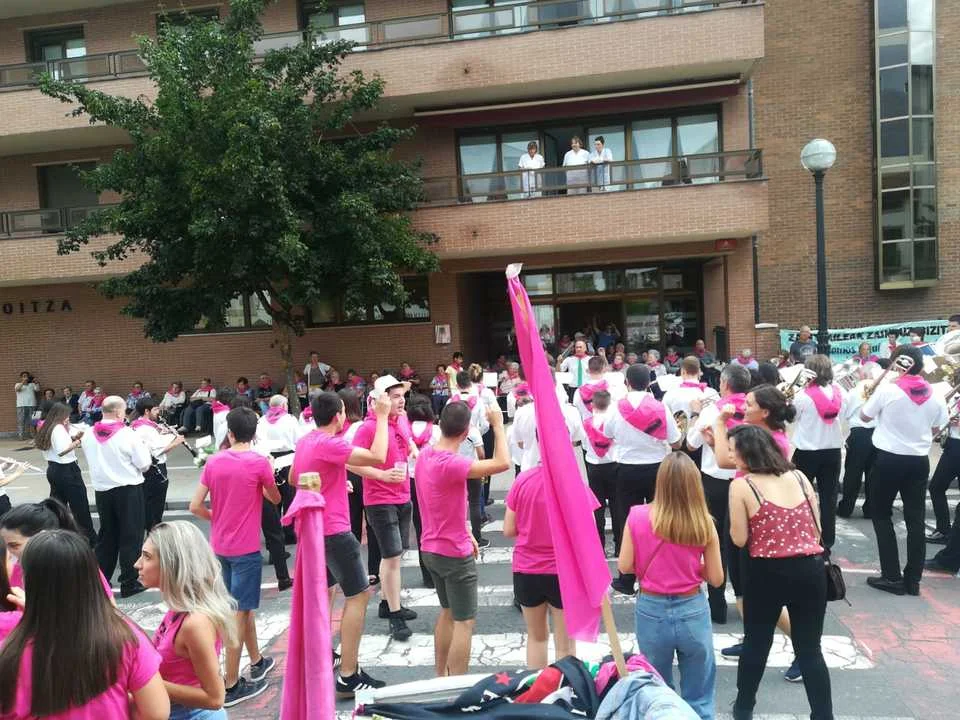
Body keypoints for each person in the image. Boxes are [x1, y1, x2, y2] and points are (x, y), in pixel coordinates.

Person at [0, 530, 169, 720]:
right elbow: (156, 713)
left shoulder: (10, 650)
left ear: (28, 581)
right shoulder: (126, 638)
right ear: (93, 576)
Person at [726, 425, 833, 720]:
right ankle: (823, 715)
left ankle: (744, 708)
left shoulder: (743, 486)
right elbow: (818, 529)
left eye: (733, 451)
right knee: (810, 650)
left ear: (748, 453)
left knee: (757, 644)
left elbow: (739, 539)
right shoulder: (799, 477)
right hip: (810, 570)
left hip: (765, 572)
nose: (731, 457)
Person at [291, 389, 391, 696]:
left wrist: (332, 480)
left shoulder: (306, 441)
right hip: (334, 530)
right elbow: (378, 456)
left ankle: (325, 657)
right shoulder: (330, 443)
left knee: (326, 591)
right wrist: (382, 416)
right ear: (339, 416)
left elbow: (295, 477)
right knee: (358, 596)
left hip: (314, 529)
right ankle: (348, 675)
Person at [618, 452, 723, 720]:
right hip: (692, 607)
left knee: (657, 690)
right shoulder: (703, 521)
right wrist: (691, 567)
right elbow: (716, 578)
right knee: (699, 694)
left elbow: (625, 565)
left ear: (660, 481)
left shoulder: (637, 516)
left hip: (651, 608)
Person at [189, 407, 282, 706]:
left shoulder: (214, 461)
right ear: (254, 435)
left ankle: (256, 660)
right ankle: (230, 683)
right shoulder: (259, 463)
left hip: (220, 547)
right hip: (245, 549)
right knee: (238, 614)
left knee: (242, 608)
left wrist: (216, 517)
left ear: (229, 433)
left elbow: (194, 506)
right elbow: (275, 497)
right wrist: (266, 477)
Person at [711, 383, 801, 679]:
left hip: (755, 520)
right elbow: (732, 459)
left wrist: (720, 424)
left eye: (749, 404)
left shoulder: (770, 441)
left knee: (761, 593)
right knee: (742, 586)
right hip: (746, 512)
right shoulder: (762, 436)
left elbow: (725, 460)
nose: (743, 407)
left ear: (764, 412)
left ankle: (803, 648)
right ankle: (752, 639)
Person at [418, 401, 508, 676]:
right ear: (466, 431)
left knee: (447, 612)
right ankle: (455, 684)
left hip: (430, 547)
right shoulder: (452, 463)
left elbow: (441, 501)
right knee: (464, 622)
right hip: (453, 554)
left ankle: (440, 678)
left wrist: (467, 530)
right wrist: (498, 425)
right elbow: (502, 463)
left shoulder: (425, 455)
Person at [860, 345, 948, 596]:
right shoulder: (936, 394)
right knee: (915, 519)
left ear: (900, 364)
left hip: (888, 460)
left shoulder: (888, 390)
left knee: (881, 515)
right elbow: (936, 429)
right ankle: (913, 580)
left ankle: (891, 576)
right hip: (919, 461)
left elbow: (865, 417)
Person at [136, 521, 238, 718]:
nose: (137, 564)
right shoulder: (178, 609)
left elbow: (215, 698)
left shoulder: (195, 624)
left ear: (172, 564)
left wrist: (148, 683)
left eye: (147, 556)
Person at [349, 375, 418, 641]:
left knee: (395, 556)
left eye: (402, 396)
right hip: (379, 499)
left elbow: (407, 442)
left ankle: (387, 603)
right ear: (381, 400)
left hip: (403, 494)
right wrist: (381, 475)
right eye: (395, 396)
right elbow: (349, 462)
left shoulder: (400, 420)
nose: (401, 401)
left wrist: (413, 451)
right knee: (391, 557)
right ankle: (395, 614)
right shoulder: (368, 428)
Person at [604, 364, 682, 595]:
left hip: (626, 469)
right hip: (657, 469)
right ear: (649, 383)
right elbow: (675, 441)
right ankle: (662, 573)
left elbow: (607, 434)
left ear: (627, 383)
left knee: (628, 521)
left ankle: (626, 578)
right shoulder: (660, 407)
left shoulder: (616, 408)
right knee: (662, 518)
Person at [686, 363, 750, 624]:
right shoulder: (755, 408)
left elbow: (691, 443)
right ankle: (746, 600)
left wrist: (695, 414)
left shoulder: (713, 411)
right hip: (747, 480)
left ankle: (717, 606)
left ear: (724, 384)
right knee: (744, 541)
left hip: (715, 482)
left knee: (715, 542)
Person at [80, 395, 152, 598]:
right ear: (119, 412)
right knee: (131, 536)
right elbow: (144, 464)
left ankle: (100, 581)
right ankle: (130, 582)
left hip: (102, 491)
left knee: (107, 537)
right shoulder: (128, 434)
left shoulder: (88, 434)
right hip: (128, 489)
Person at [790, 355, 846, 555]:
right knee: (829, 498)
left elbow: (792, 418)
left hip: (807, 451)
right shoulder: (840, 392)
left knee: (800, 496)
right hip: (832, 450)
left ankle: (802, 537)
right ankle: (826, 542)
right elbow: (844, 415)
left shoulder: (802, 396)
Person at [34, 403, 96, 543]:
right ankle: (88, 537)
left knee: (57, 505)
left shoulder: (47, 426)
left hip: (53, 469)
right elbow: (62, 451)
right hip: (67, 469)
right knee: (79, 505)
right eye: (66, 415)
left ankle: (54, 534)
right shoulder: (58, 428)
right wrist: (78, 441)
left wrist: (73, 439)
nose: (68, 418)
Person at [836, 361, 882, 519]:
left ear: (864, 374)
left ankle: (846, 508)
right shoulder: (884, 389)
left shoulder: (855, 390)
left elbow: (846, 413)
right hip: (878, 433)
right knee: (874, 474)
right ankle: (871, 509)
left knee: (853, 473)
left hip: (859, 433)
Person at [132, 397, 187, 531]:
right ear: (147, 411)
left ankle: (151, 529)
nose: (158, 412)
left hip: (148, 469)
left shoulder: (139, 425)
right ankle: (154, 532)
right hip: (155, 470)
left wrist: (164, 432)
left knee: (148, 503)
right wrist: (176, 442)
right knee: (155, 506)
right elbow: (157, 451)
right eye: (156, 409)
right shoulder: (147, 429)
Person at [257, 394, 300, 547]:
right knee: (290, 498)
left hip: (269, 462)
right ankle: (289, 532)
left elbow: (258, 443)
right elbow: (298, 440)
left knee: (272, 500)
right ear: (283, 405)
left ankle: (275, 534)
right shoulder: (290, 420)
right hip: (288, 461)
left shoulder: (262, 421)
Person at [407, 397, 441, 589]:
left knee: (420, 528)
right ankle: (438, 573)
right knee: (435, 527)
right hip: (431, 482)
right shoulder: (436, 431)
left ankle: (427, 576)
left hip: (410, 482)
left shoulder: (405, 431)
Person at [663, 356, 719, 467]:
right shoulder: (711, 393)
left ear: (682, 371)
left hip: (679, 443)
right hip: (704, 442)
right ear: (699, 371)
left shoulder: (670, 394)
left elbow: (665, 420)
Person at [583, 390, 616, 552]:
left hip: (594, 466)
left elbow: (583, 444)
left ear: (593, 405)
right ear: (609, 404)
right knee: (617, 506)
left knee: (597, 506)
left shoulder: (586, 423)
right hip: (613, 464)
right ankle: (619, 544)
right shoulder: (614, 421)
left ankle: (599, 546)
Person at [927, 406, 960, 545]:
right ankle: (944, 530)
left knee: (936, 487)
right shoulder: (956, 399)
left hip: (956, 448)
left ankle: (944, 531)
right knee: (936, 487)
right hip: (952, 445)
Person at [13, 372, 39, 442]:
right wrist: (23, 382)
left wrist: (36, 382)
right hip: (21, 405)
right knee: (21, 421)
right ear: (21, 377)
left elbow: (37, 389)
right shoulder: (17, 384)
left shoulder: (32, 384)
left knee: (33, 421)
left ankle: (32, 434)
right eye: (24, 376)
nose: (25, 377)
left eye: (27, 376)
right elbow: (17, 389)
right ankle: (21, 435)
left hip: (32, 404)